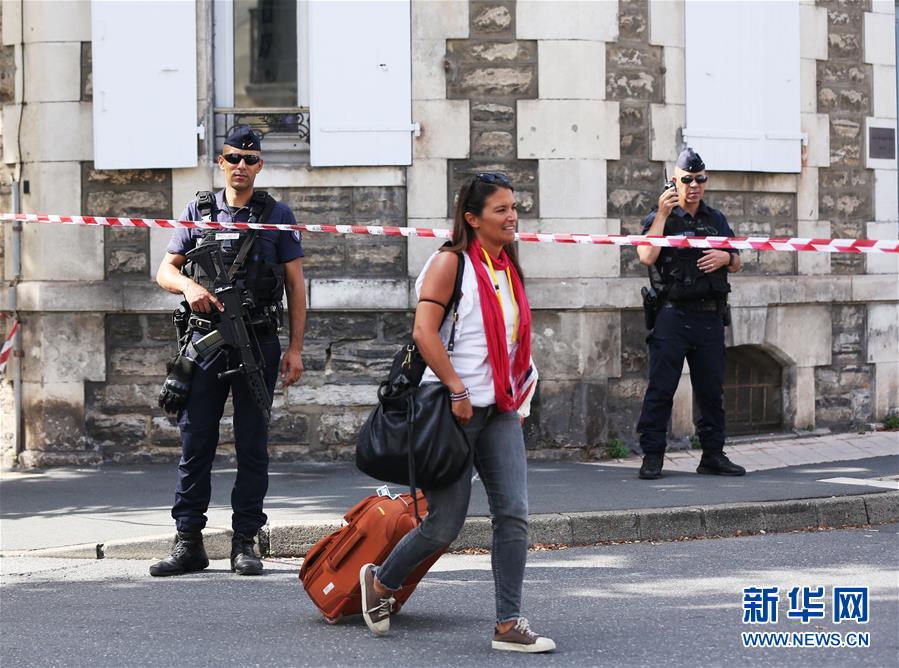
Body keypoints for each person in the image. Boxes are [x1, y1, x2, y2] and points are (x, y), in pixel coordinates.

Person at [357, 173, 554, 653]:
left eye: (514, 207)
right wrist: (457, 389)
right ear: (472, 218)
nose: (513, 217)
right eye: (501, 210)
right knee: (444, 525)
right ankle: (380, 582)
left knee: (514, 515)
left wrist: (519, 392)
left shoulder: (506, 266)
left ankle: (508, 623)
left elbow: (509, 339)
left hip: (500, 409)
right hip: (452, 411)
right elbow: (425, 333)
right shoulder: (450, 263)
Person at [149, 126, 306, 576]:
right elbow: (166, 270)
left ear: (261, 166)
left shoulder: (277, 214)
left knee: (253, 443)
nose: (241, 166)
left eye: (250, 160)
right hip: (205, 341)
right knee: (196, 440)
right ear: (221, 161)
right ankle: (188, 542)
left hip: (257, 340)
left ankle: (245, 541)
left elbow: (295, 287)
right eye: (234, 158)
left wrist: (295, 349)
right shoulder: (198, 210)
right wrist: (189, 286)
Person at [636, 148, 746, 480]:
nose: (694, 185)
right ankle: (653, 456)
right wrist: (659, 214)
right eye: (687, 180)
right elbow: (646, 255)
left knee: (712, 391)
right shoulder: (661, 218)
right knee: (661, 389)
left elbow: (738, 259)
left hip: (709, 316)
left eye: (700, 179)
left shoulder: (715, 219)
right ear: (674, 181)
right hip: (672, 314)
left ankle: (713, 454)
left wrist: (725, 259)